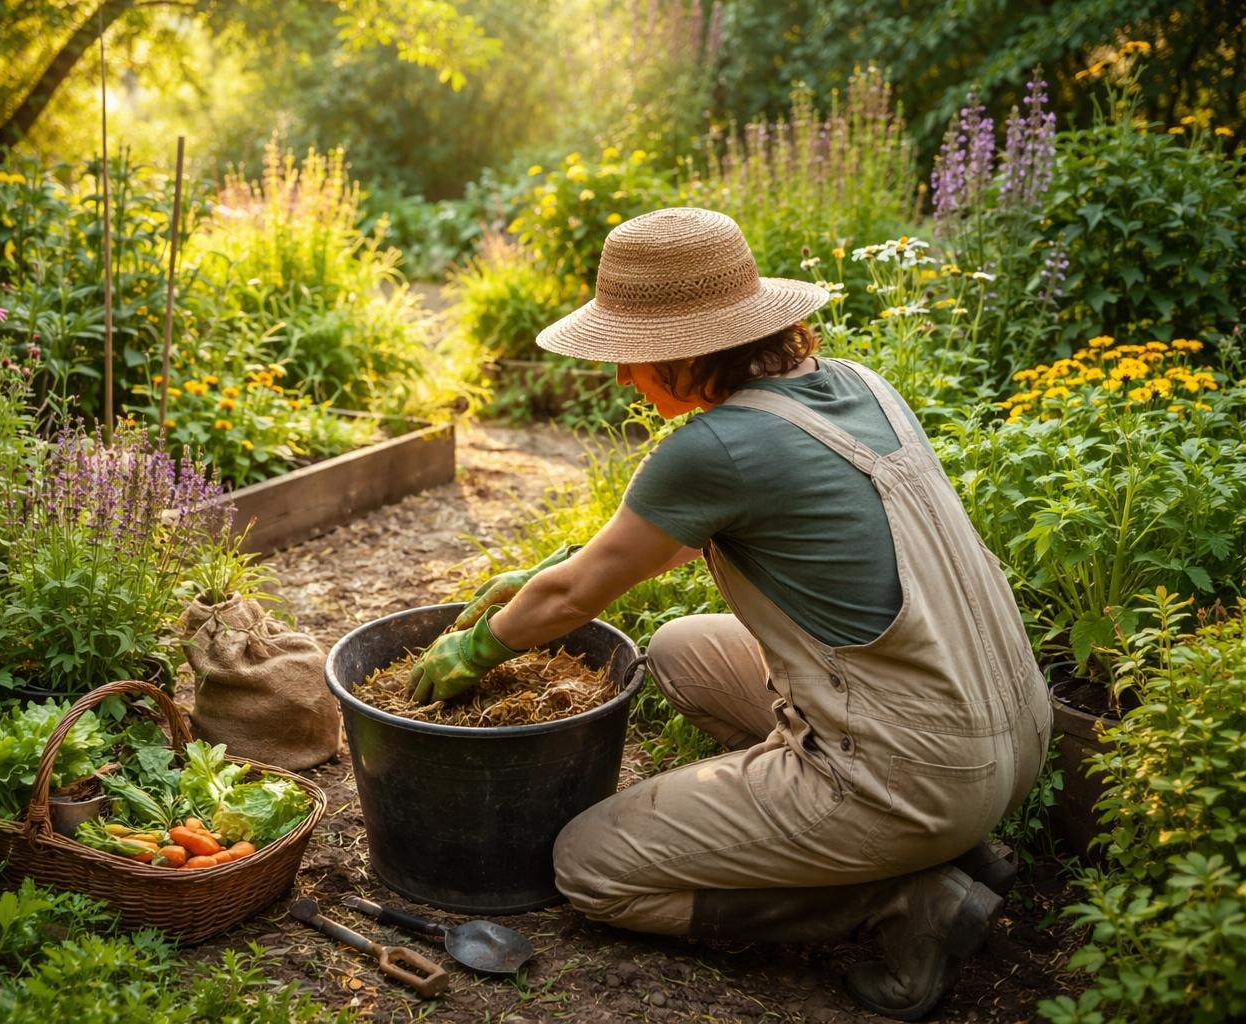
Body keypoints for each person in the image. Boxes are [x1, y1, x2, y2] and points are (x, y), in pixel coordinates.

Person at [406, 208, 1052, 1020]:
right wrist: (548, 569)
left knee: (589, 868)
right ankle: (946, 845)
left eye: (629, 357)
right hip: (1007, 729)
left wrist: (474, 649)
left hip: (915, 773)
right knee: (679, 650)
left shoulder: (712, 450)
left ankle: (899, 896)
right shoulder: (858, 386)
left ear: (686, 350)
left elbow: (577, 601)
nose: (618, 379)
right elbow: (653, 548)